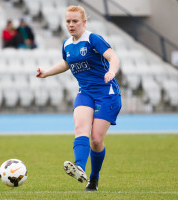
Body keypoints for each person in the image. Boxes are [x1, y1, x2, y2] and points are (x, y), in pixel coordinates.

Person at [36, 6, 122, 191]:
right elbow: (66, 63)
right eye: (68, 21)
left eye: (75, 21)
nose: (71, 24)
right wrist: (47, 72)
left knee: (97, 140)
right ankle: (80, 168)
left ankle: (94, 178)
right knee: (80, 128)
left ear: (84, 22)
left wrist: (111, 71)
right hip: (85, 93)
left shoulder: (93, 39)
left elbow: (113, 57)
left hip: (107, 94)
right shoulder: (67, 44)